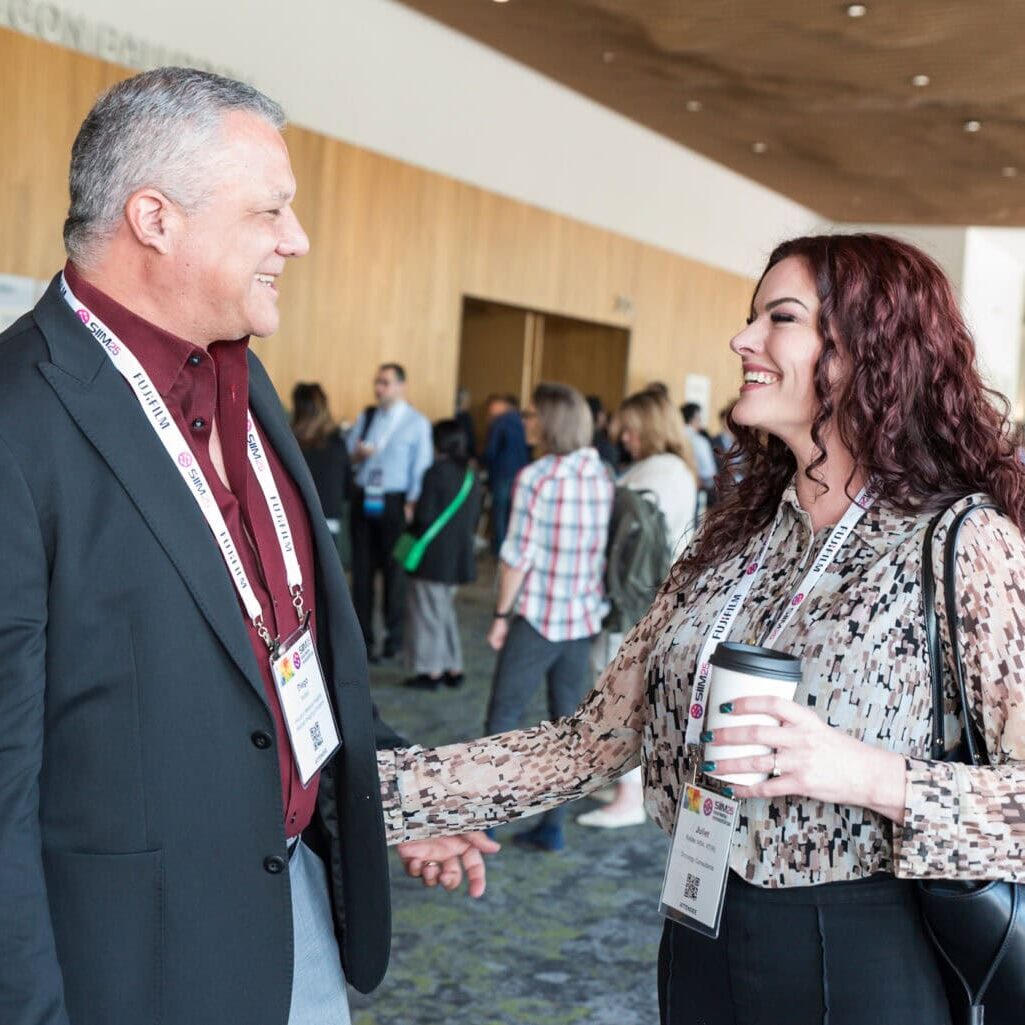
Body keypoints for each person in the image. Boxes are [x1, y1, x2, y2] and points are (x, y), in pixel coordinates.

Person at [384, 233, 1025, 1024]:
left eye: (778, 317)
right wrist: (373, 794)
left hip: (864, 944)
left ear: (871, 347)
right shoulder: (733, 540)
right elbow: (587, 743)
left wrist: (865, 774)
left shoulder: (960, 543)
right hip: (699, 916)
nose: (741, 339)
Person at [0, 67, 494, 1025]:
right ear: (155, 218)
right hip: (133, 966)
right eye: (270, 209)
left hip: (295, 899)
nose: (295, 239)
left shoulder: (246, 382)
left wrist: (378, 794)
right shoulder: (18, 419)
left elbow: (278, 652)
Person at [482, 382, 614, 852]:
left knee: (503, 720)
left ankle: (488, 820)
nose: (525, 422)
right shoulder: (602, 474)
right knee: (569, 728)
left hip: (537, 618)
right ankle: (552, 826)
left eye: (532, 415)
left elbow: (517, 558)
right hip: (582, 619)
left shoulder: (537, 477)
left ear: (551, 421)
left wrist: (500, 616)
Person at [578, 388, 698, 828]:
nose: (623, 438)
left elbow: (635, 540)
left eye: (629, 430)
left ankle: (630, 795)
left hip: (638, 599)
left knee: (619, 689)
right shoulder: (669, 468)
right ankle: (623, 783)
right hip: (645, 595)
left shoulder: (661, 471)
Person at [347, 363, 433, 660]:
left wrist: (412, 505)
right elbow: (350, 455)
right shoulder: (368, 416)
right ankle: (363, 640)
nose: (379, 388)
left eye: (385, 383)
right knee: (362, 572)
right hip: (365, 498)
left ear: (401, 386)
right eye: (377, 382)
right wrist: (359, 454)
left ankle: (393, 641)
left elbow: (421, 468)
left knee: (395, 574)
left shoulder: (417, 423)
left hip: (396, 503)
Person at [403, 419, 482, 690]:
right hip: (459, 557)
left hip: (433, 558)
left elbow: (424, 517)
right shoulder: (471, 475)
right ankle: (453, 666)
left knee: (428, 615)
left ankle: (431, 672)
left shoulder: (435, 473)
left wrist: (410, 516)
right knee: (445, 612)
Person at [292, 381, 352, 565]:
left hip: (294, 518)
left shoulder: (290, 443)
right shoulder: (337, 443)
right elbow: (347, 488)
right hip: (329, 518)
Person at [482, 392, 529, 555]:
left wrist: (482, 462)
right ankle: (512, 547)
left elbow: (491, 451)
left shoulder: (498, 423)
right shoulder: (524, 422)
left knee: (499, 512)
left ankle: (500, 549)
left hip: (501, 473)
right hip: (521, 472)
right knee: (514, 512)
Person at [681, 401, 719, 511]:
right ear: (695, 419)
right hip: (693, 491)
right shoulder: (699, 441)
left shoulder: (672, 438)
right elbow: (709, 473)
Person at [586, 393, 620, 470]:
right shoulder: (605, 444)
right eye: (603, 412)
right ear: (599, 415)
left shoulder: (579, 438)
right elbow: (613, 470)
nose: (606, 416)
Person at [453, 385, 478, 461]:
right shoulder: (465, 417)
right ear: (463, 401)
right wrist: (473, 456)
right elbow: (469, 438)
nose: (470, 403)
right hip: (464, 455)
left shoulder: (465, 415)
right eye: (468, 400)